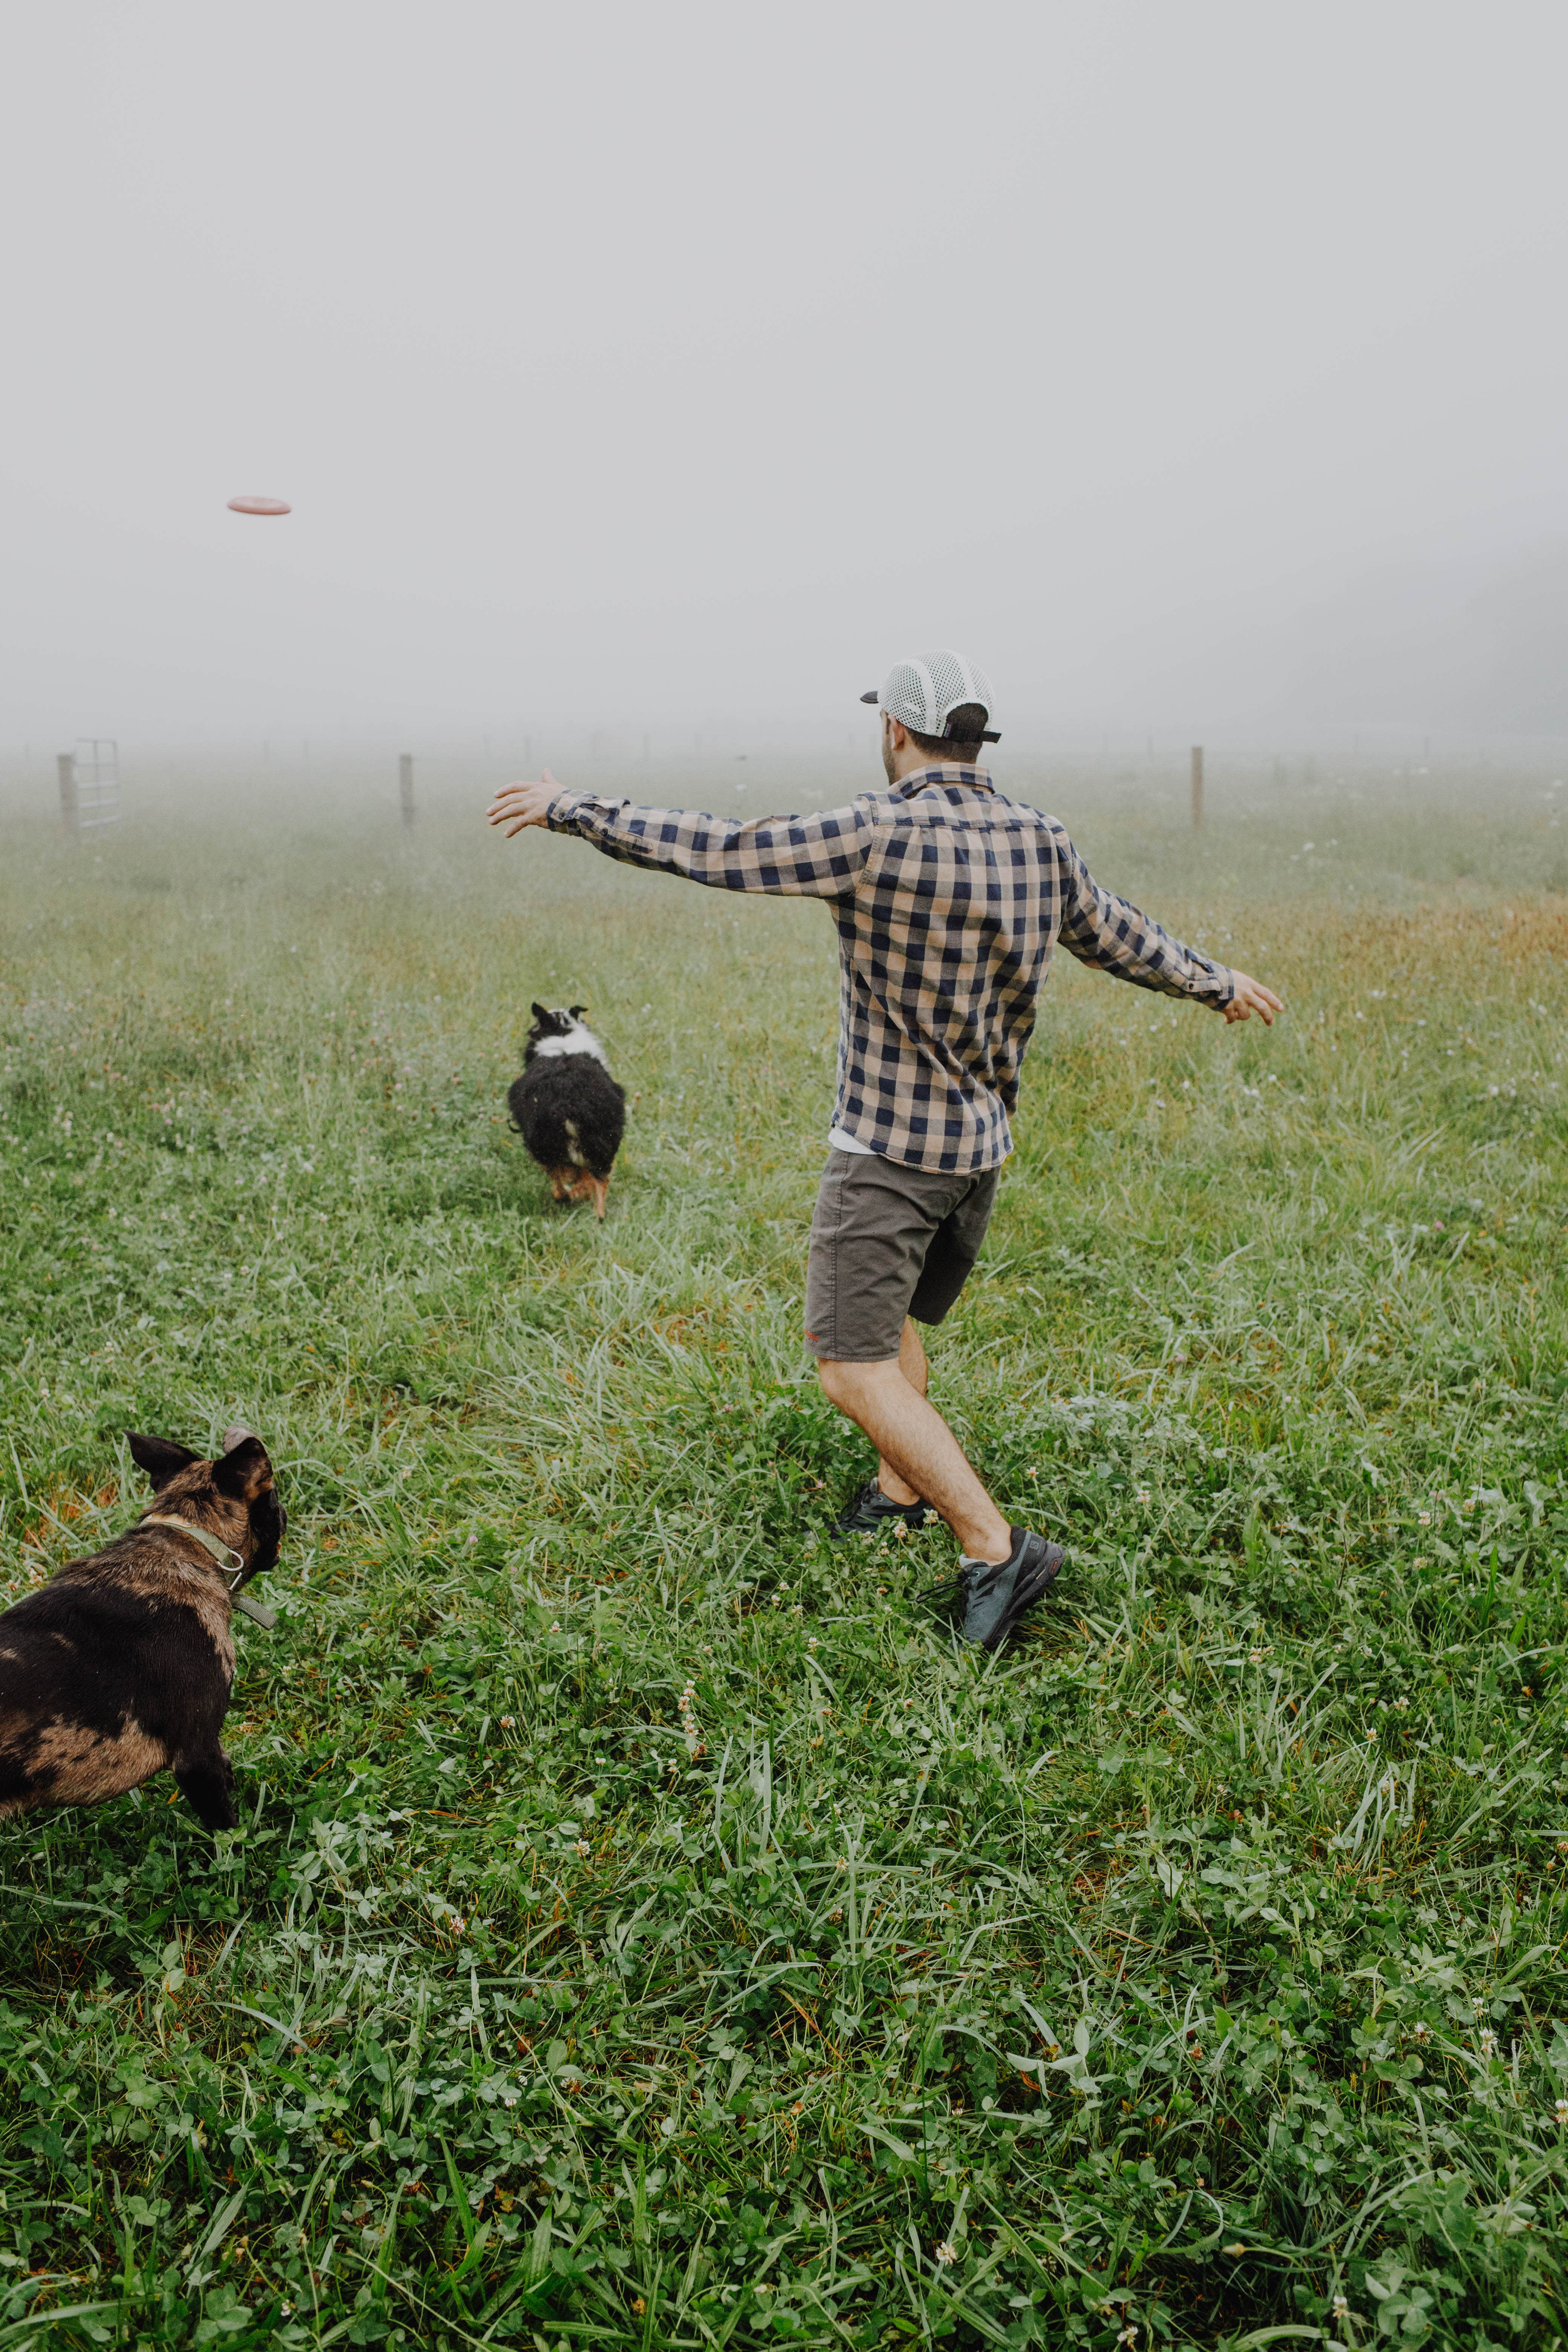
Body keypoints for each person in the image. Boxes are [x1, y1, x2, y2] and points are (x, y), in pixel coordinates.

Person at [487, 653, 1280, 1651]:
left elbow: (717, 846)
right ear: (975, 740)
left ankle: (994, 1547)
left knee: (850, 1366)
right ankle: (898, 1491)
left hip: (889, 1157)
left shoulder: (875, 832)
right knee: (897, 1317)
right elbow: (1118, 934)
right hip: (978, 1150)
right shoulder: (1042, 839)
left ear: (896, 732)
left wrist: (571, 808)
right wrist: (1215, 982)